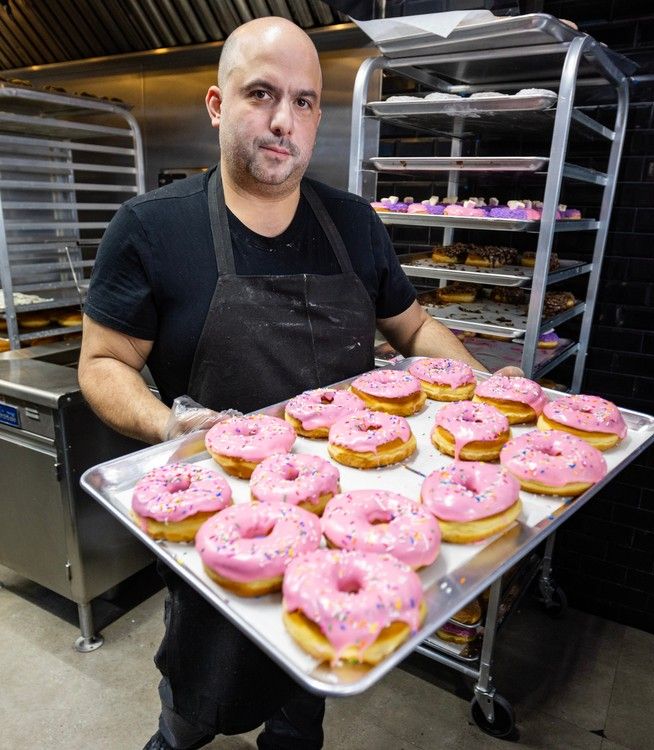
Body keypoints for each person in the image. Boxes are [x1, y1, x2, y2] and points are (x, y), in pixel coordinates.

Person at [79, 17, 519, 750]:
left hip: (339, 525)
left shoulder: (351, 222)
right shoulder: (151, 227)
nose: (286, 121)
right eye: (262, 94)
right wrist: (165, 426)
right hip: (223, 523)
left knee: (301, 705)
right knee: (195, 704)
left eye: (306, 101)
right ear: (217, 104)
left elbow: (412, 329)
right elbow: (102, 361)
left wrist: (482, 393)